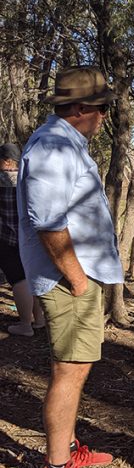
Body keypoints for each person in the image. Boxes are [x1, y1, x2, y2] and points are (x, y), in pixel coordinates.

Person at [17, 66, 123, 468]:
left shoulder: (66, 145)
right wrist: (78, 280)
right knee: (69, 372)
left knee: (76, 370)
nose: (104, 117)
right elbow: (47, 222)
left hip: (75, 277)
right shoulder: (54, 148)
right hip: (68, 281)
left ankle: (69, 447)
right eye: (101, 109)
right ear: (81, 109)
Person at [0, 142, 45, 336]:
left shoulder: (2, 179)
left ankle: (25, 324)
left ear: (8, 161)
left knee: (19, 281)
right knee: (31, 277)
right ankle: (40, 320)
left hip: (8, 238)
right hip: (31, 238)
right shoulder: (28, 178)